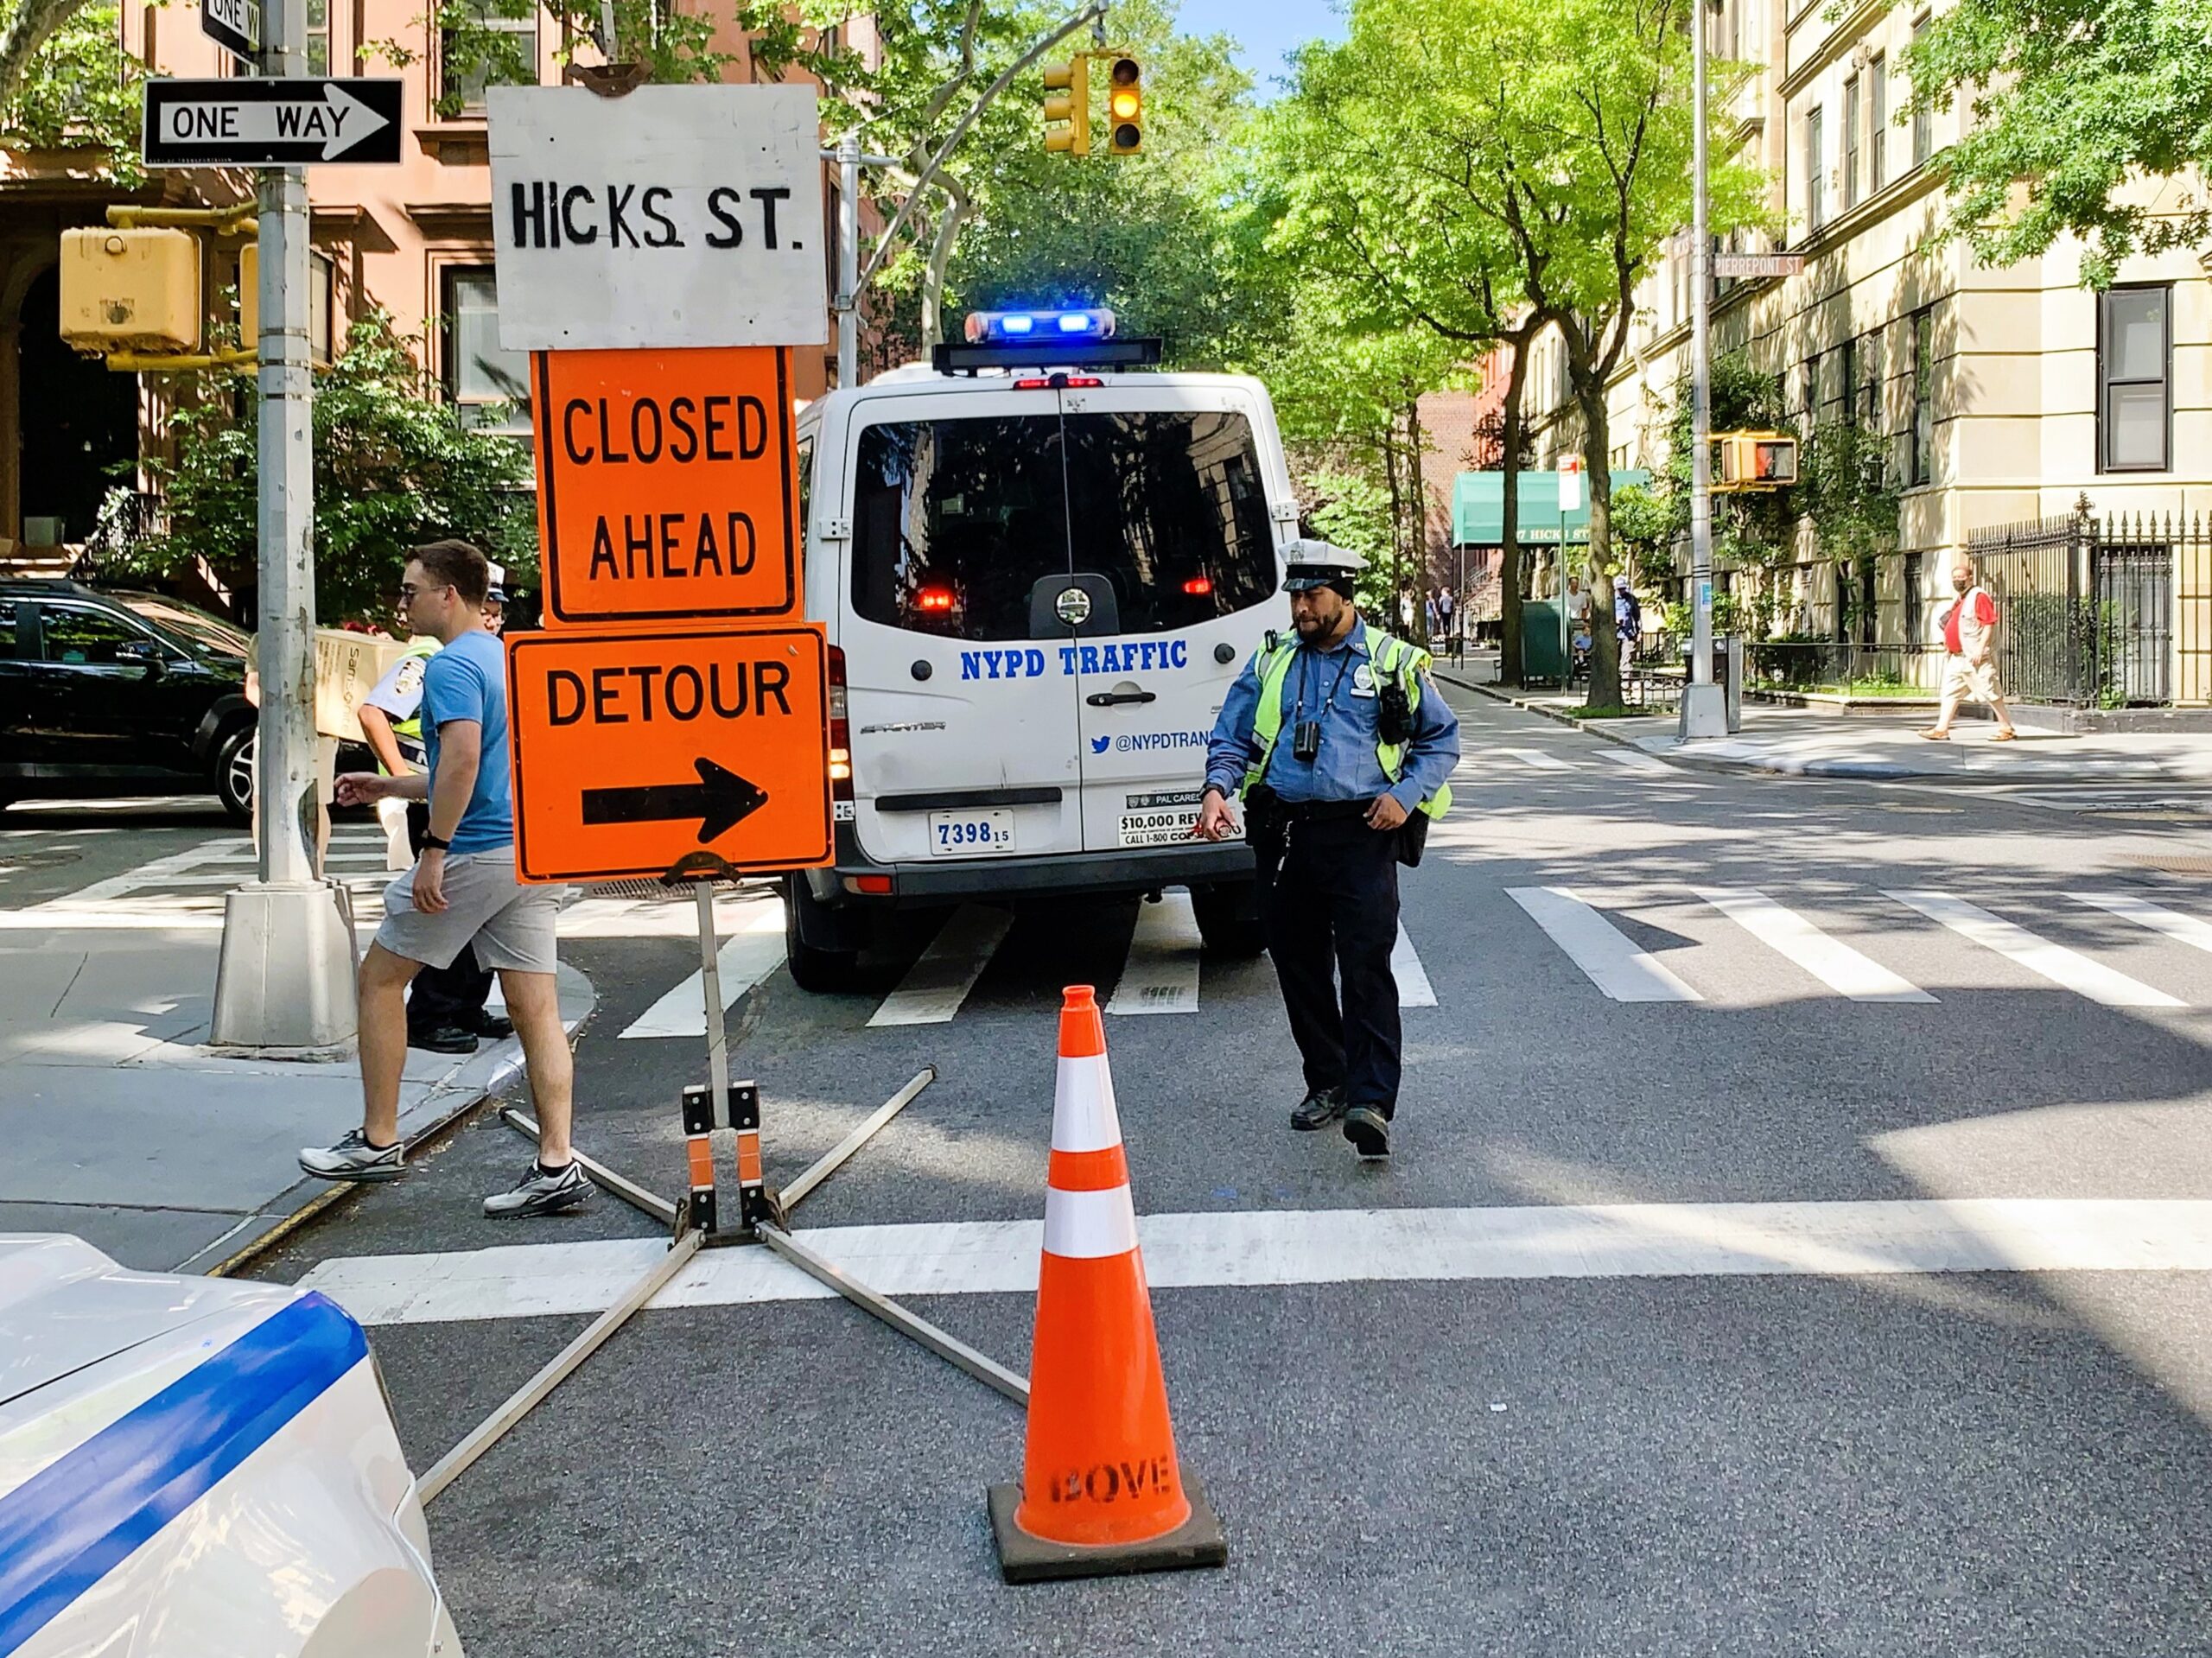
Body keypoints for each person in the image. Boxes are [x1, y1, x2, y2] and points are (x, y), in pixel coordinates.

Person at [300, 540, 591, 1218]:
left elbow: (460, 766)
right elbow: (479, 767)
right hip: (526, 851)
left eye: (411, 591)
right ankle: (557, 1162)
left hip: (470, 853)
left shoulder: (452, 665)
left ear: (448, 595)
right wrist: (386, 780)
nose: (402, 603)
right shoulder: (505, 655)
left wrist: (432, 849)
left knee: (378, 979)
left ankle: (377, 1139)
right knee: (535, 1009)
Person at [1194, 538, 1460, 1162]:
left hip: (1363, 829)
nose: (1301, 608)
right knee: (1298, 963)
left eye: (1313, 596)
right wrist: (1215, 790)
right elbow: (1232, 734)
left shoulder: (1391, 661)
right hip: (1285, 831)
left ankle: (1372, 1101)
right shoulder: (1273, 661)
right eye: (1295, 596)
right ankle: (1329, 1079)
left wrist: (1406, 794)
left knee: (1367, 964)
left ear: (1345, 596)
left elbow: (1441, 740)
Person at [353, 568, 515, 1056]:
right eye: (489, 606)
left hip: (470, 819)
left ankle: (459, 1009)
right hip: (454, 814)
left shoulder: (481, 657)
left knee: (459, 927)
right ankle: (434, 1012)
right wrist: (397, 774)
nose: (493, 615)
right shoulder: (431, 658)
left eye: (498, 608)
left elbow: (472, 760)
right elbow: (373, 712)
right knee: (439, 924)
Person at [1922, 555, 2018, 741]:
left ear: (1970, 578)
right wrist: (1949, 644)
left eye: (1961, 578)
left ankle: (2006, 727)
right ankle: (1941, 729)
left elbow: (1989, 623)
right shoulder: (1960, 599)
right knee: (1950, 692)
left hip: (1974, 656)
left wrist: (1981, 649)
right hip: (1956, 657)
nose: (1958, 581)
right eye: (1955, 578)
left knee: (1990, 690)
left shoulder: (1978, 596)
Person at [1614, 574, 1642, 674]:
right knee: (1614, 659)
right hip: (1614, 634)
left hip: (1628, 633)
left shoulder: (1631, 599)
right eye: (1619, 589)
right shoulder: (1611, 599)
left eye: (1623, 589)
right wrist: (1615, 620)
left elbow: (1637, 616)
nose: (1621, 591)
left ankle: (1625, 682)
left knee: (1627, 658)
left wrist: (1639, 632)